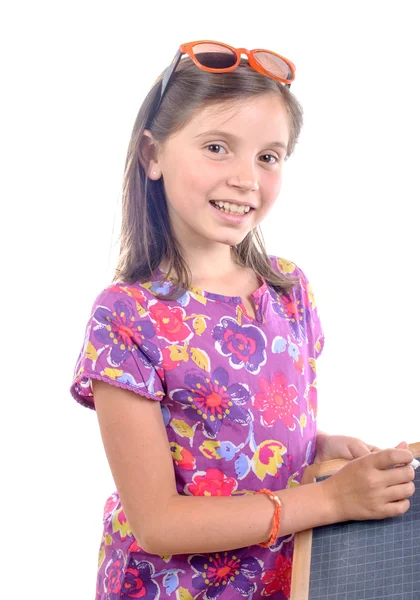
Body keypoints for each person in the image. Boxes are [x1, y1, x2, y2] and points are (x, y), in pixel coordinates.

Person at [70, 41, 415, 600]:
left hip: (289, 579)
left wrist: (321, 450)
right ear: (152, 156)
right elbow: (157, 522)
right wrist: (330, 501)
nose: (246, 178)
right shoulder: (127, 316)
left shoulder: (287, 290)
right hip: (174, 588)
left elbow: (239, 433)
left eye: (268, 156)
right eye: (216, 147)